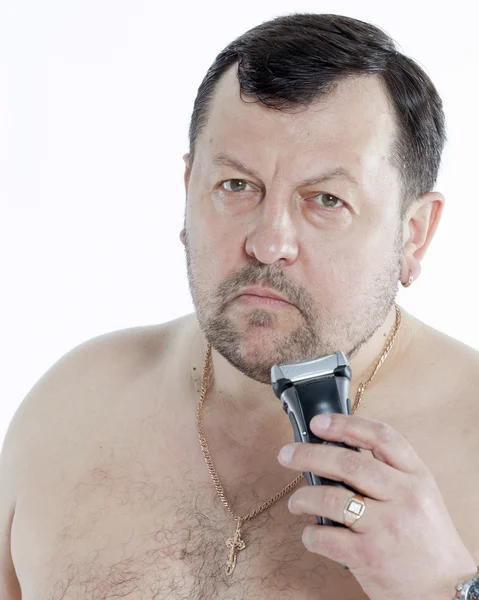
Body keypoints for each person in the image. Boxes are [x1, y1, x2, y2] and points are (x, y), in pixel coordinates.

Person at [1, 12, 478, 600]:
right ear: (188, 193)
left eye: (326, 199)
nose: (268, 242)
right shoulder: (71, 406)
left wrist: (446, 587)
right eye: (236, 186)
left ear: (414, 234)